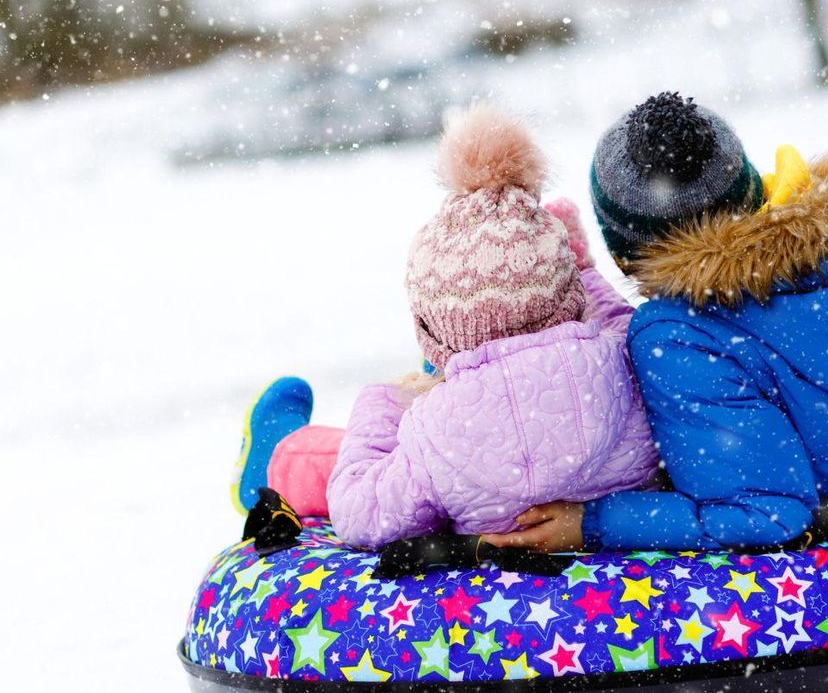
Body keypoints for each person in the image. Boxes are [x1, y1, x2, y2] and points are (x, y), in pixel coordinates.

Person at [485, 91, 828, 554]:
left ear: (626, 258)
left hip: (820, 511)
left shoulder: (680, 335)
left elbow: (762, 512)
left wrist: (593, 523)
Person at [233, 103, 659, 550]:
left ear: (434, 332)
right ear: (568, 296)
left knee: (344, 463)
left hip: (457, 471)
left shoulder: (435, 431)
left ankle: (270, 460)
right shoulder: (626, 372)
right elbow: (623, 326)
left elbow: (359, 513)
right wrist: (585, 271)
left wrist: (385, 404)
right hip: (589, 503)